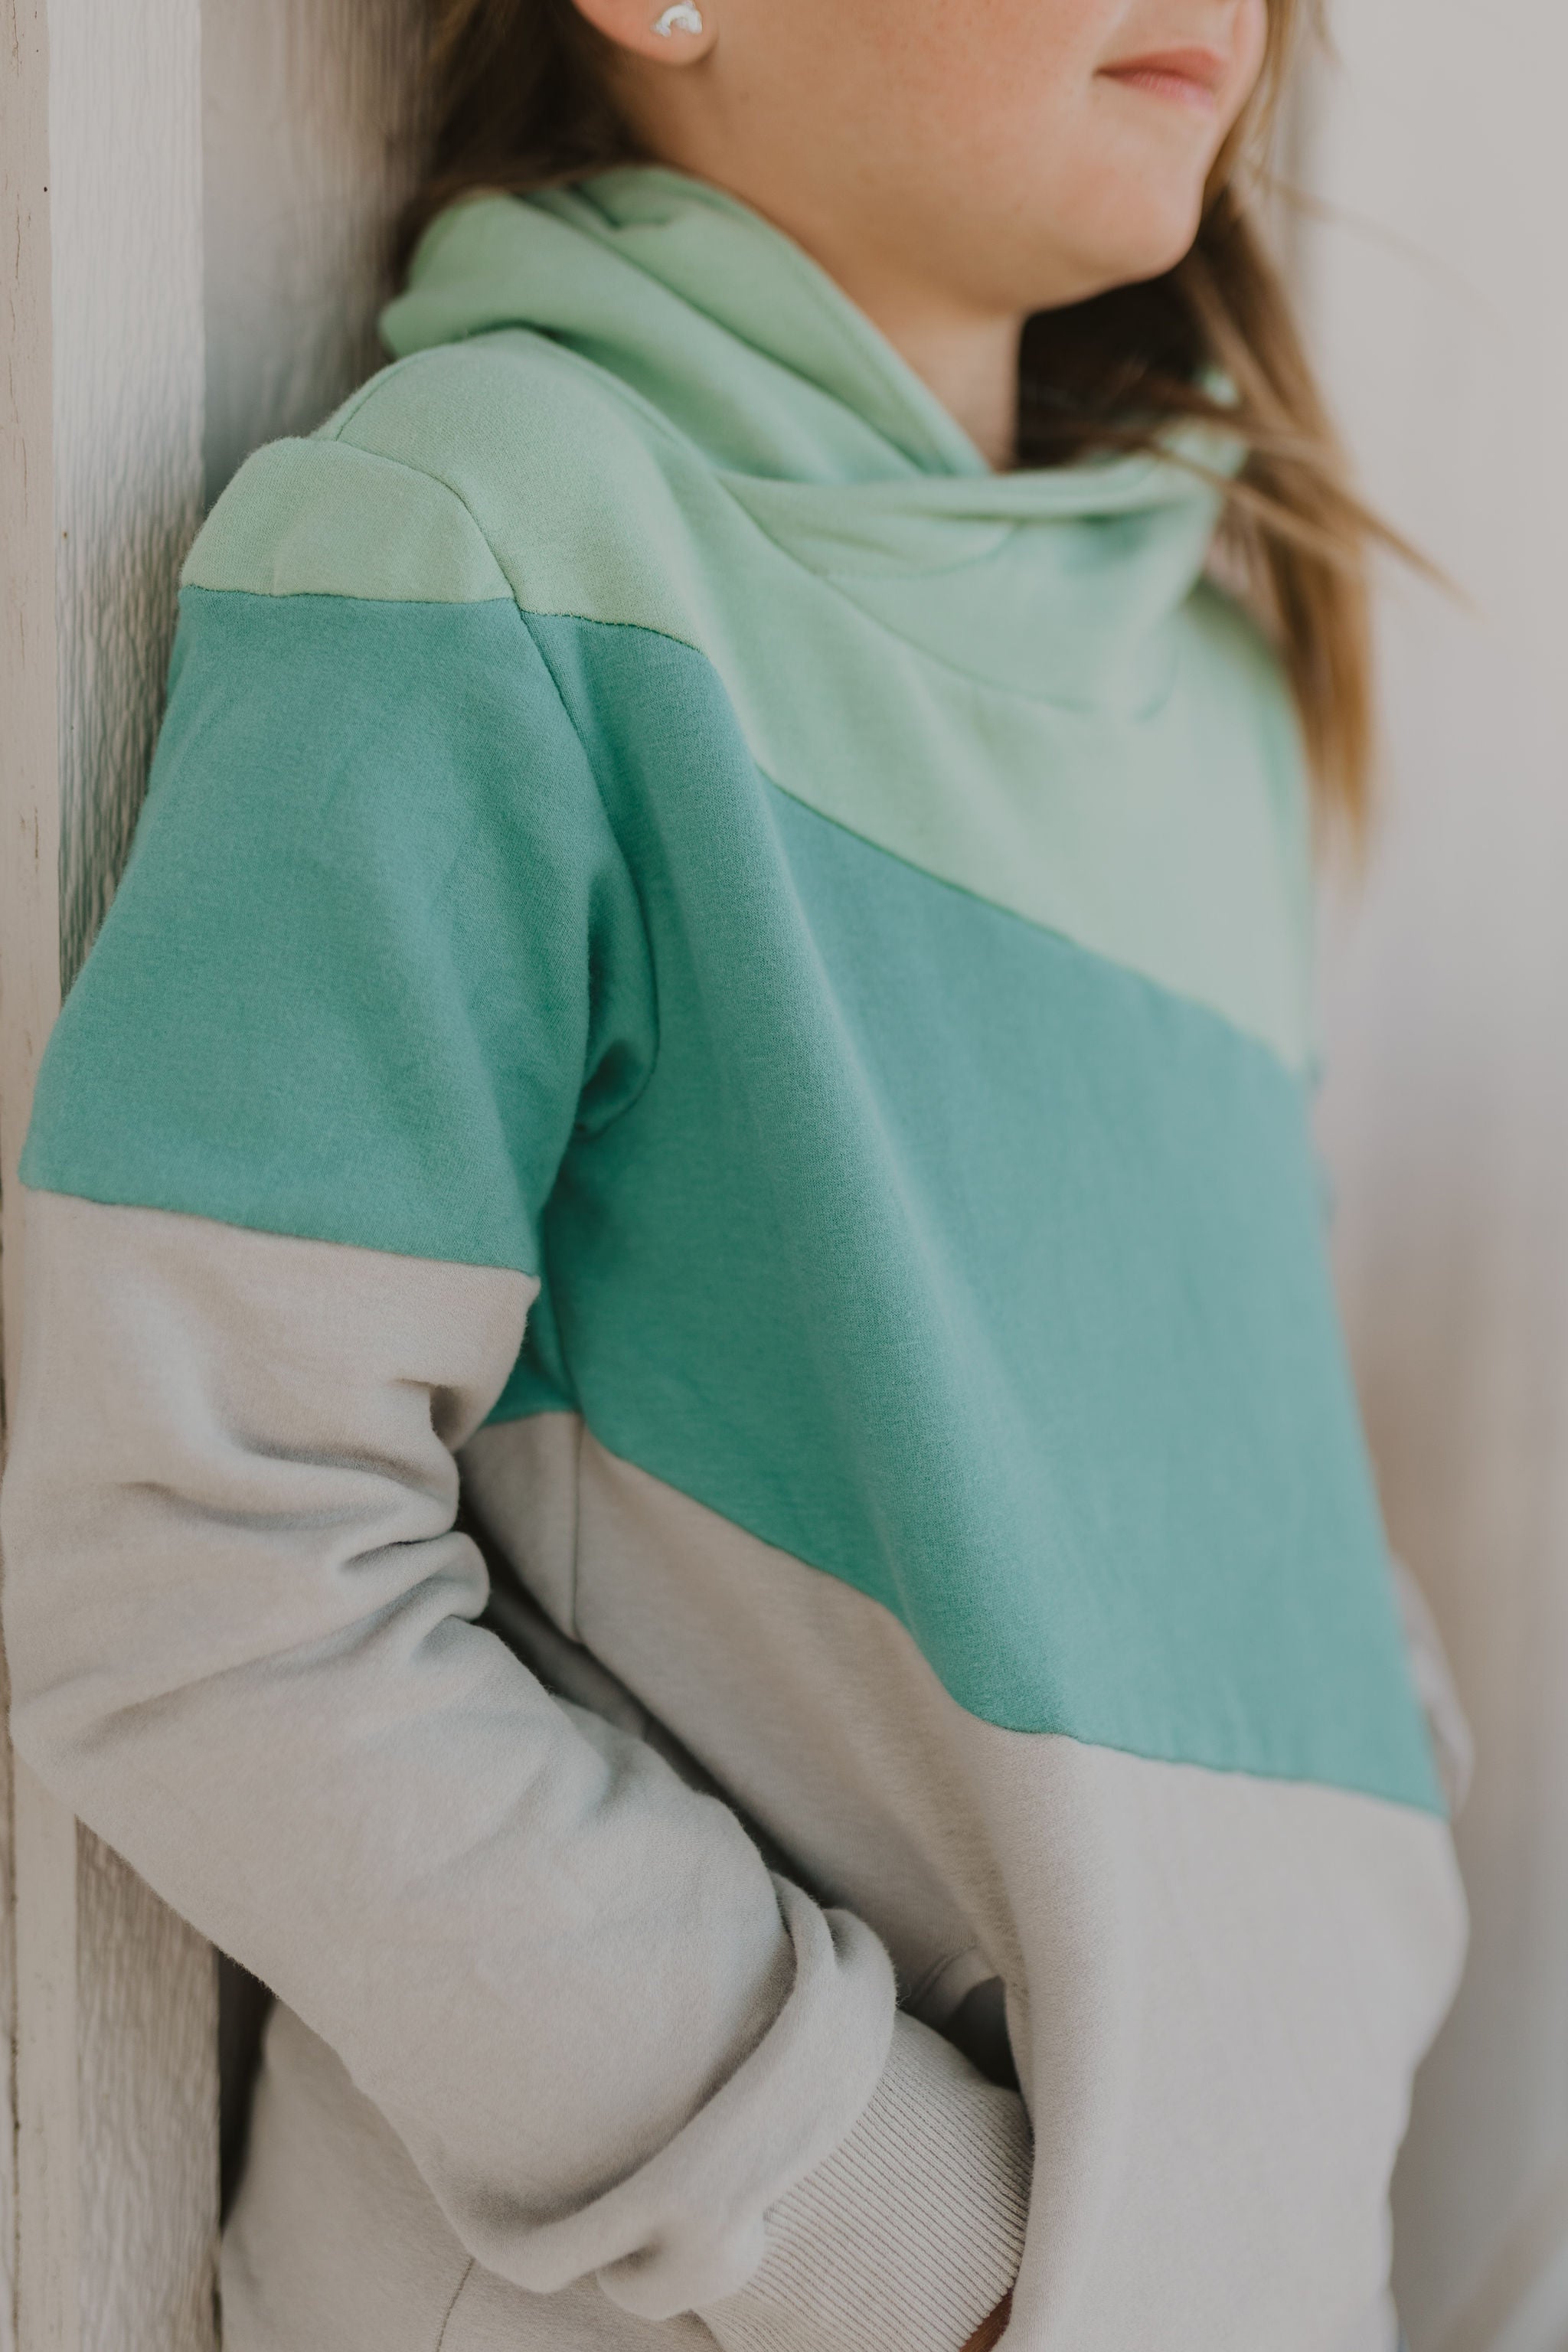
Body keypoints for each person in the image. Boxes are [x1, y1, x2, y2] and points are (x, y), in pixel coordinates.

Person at [0, 0, 1472, 2344]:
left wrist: (1329, 1981)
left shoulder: (1221, 712)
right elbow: (188, 1557)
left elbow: (1242, 1535)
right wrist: (906, 2245)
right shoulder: (484, 543)